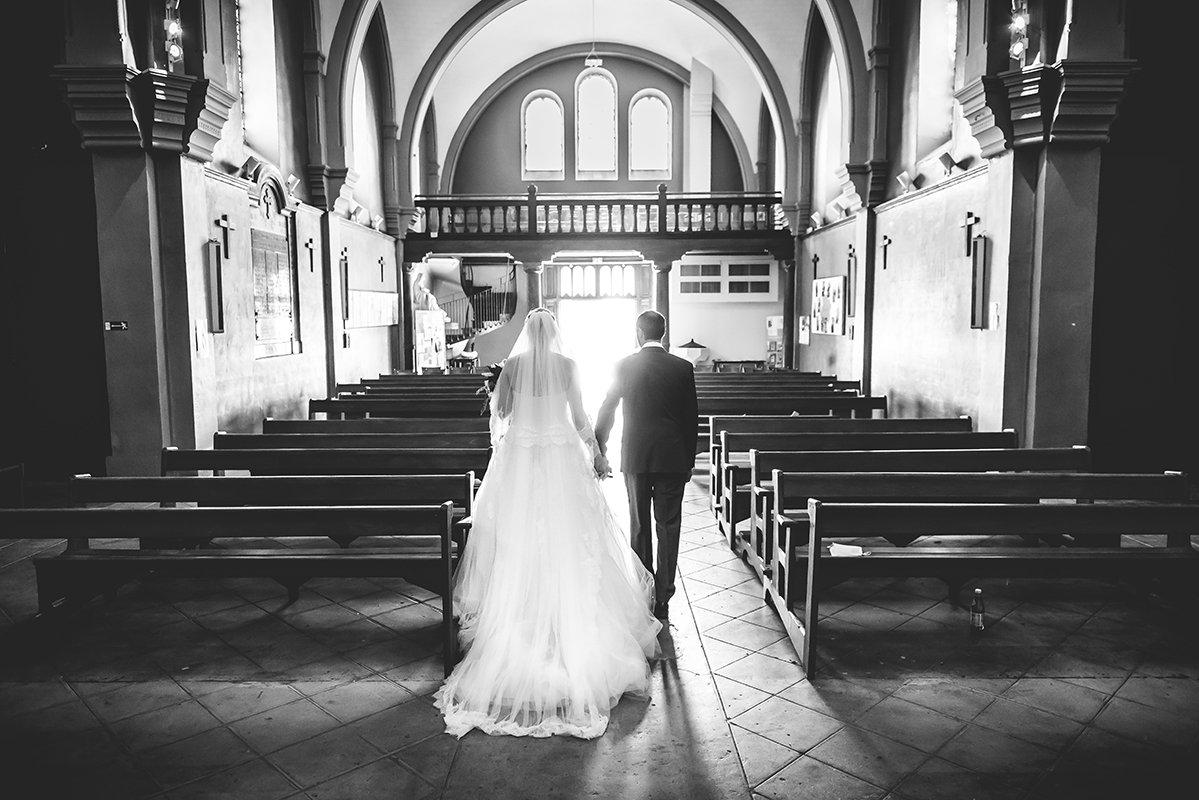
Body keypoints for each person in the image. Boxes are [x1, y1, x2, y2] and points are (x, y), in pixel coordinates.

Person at [435, 308, 662, 740]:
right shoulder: (568, 367)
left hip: (521, 460)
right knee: (570, 540)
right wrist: (596, 454)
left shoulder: (514, 367)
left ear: (526, 336)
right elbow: (579, 419)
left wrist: (508, 415)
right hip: (561, 460)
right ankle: (570, 624)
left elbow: (500, 414)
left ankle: (521, 616)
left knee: (519, 539)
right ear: (555, 334)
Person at [594, 310, 699, 621]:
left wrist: (600, 447)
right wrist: (689, 460)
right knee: (669, 526)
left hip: (637, 456)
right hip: (673, 457)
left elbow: (608, 408)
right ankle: (665, 594)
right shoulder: (683, 367)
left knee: (639, 525)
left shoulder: (625, 365)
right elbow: (691, 418)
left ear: (639, 334)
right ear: (662, 334)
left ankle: (646, 590)